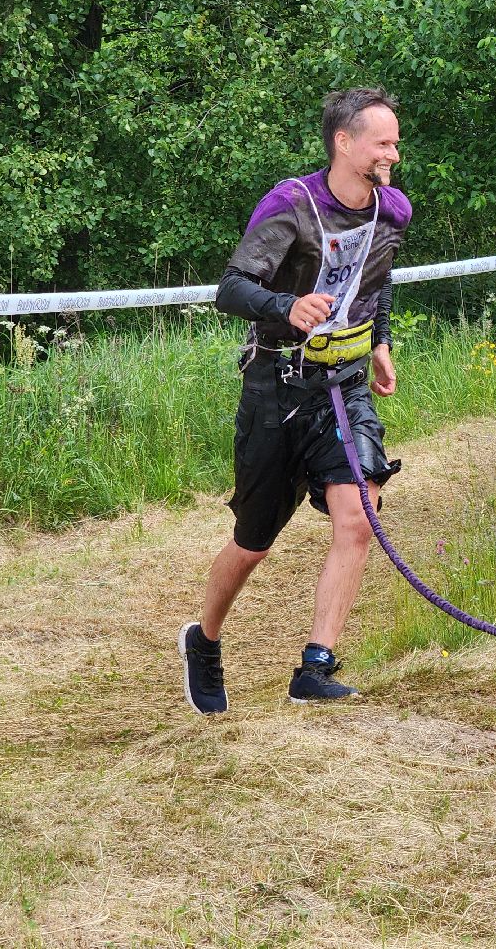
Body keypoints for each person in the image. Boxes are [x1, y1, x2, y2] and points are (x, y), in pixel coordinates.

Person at [179, 87, 410, 714]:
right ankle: (203, 641)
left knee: (358, 518)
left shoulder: (393, 211)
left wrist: (381, 342)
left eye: (395, 141)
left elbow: (377, 284)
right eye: (383, 141)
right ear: (345, 142)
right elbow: (230, 288)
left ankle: (316, 665)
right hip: (275, 387)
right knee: (254, 540)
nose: (395, 152)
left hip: (346, 387)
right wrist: (286, 306)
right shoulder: (293, 204)